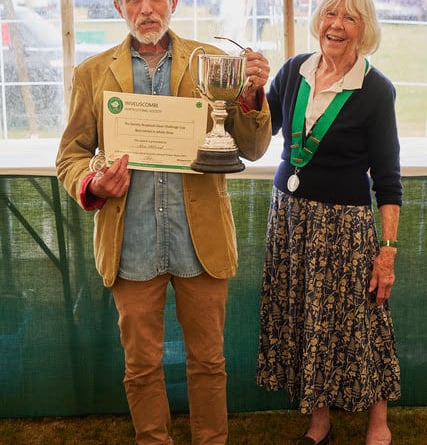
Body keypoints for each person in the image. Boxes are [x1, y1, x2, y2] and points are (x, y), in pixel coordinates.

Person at [56, 0, 271, 444]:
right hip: (130, 242)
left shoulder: (212, 64)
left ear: (174, 4)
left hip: (200, 242)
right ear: (119, 6)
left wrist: (250, 97)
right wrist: (94, 184)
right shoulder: (92, 73)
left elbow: (251, 149)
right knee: (141, 366)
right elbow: (70, 157)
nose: (147, 8)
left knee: (209, 362)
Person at [256, 0, 401, 444]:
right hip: (290, 220)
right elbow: (259, 132)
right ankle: (319, 422)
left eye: (349, 17)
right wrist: (247, 93)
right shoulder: (295, 70)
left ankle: (380, 422)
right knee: (305, 319)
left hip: (344, 227)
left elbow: (388, 177)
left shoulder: (377, 90)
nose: (335, 25)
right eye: (329, 14)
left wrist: (387, 252)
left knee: (363, 322)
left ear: (363, 29)